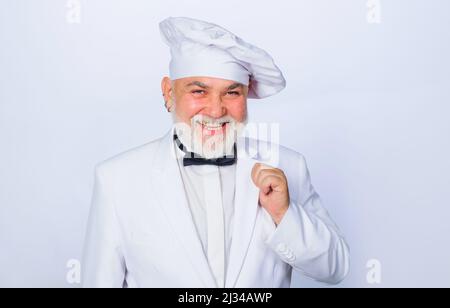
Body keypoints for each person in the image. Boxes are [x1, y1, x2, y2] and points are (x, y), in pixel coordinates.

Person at [82, 16, 350, 288]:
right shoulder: (117, 179)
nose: (215, 110)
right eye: (199, 91)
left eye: (232, 93)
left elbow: (336, 268)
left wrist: (284, 214)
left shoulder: (287, 165)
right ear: (168, 92)